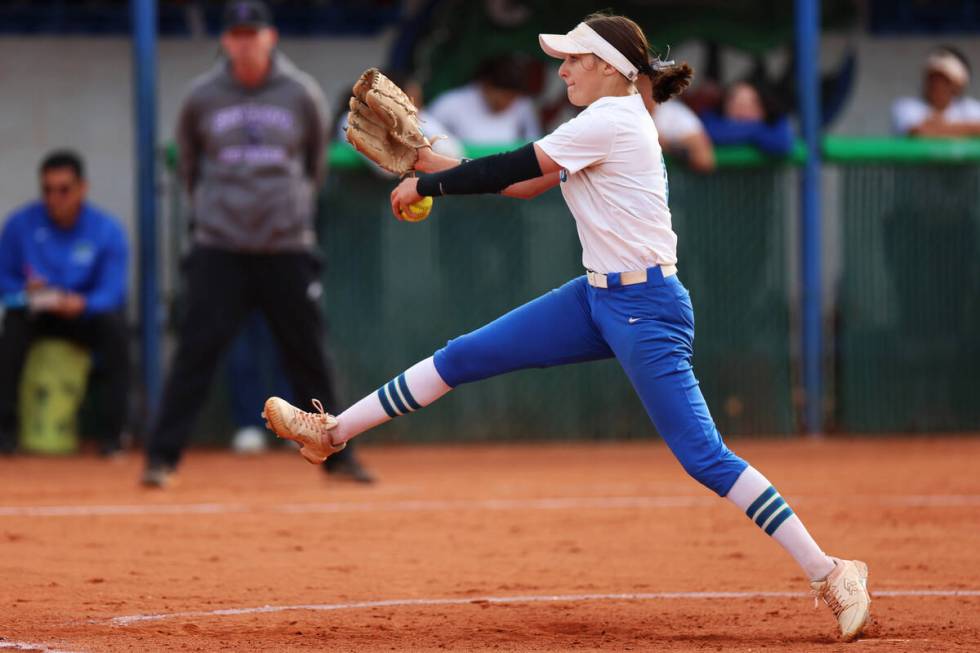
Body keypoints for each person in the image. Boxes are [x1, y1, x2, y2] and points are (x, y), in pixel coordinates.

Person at [264, 12, 871, 642]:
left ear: (609, 68)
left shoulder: (611, 119)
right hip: (595, 298)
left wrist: (428, 182)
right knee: (465, 355)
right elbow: (526, 183)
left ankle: (832, 570)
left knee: (705, 458)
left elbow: (507, 170)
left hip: (647, 309)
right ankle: (331, 432)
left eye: (573, 60)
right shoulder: (601, 121)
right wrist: (422, 157)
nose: (561, 70)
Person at [141, 0, 373, 486]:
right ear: (226, 41)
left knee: (308, 354)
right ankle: (162, 458)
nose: (246, 42)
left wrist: (285, 208)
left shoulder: (299, 92)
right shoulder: (202, 96)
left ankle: (341, 456)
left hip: (285, 245)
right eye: (237, 34)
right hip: (220, 245)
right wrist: (217, 210)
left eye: (255, 33)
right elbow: (188, 165)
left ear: (271, 37)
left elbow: (314, 163)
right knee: (195, 352)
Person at [0, 150, 129, 456]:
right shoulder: (19, 225)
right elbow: (4, 281)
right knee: (12, 328)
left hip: (83, 316)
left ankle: (113, 437)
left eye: (64, 189)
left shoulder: (106, 229)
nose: (54, 197)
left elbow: (114, 291)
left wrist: (82, 303)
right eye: (47, 189)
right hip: (36, 315)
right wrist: (25, 292)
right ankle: (5, 435)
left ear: (82, 188)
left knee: (114, 329)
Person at [426, 55, 542, 145]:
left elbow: (533, 143)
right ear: (486, 86)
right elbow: (425, 131)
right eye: (502, 96)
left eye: (511, 98)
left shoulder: (523, 106)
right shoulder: (451, 103)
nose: (506, 103)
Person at [892, 46, 980, 136]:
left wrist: (938, 127)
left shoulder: (972, 108)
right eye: (932, 78)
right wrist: (968, 130)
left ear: (958, 85)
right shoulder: (906, 107)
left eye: (945, 80)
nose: (936, 84)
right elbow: (919, 133)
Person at [636, 71, 714, 172]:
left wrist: (669, 146)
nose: (640, 93)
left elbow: (705, 160)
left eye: (646, 86)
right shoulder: (622, 114)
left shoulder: (673, 114)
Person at [700, 80, 794, 156]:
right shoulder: (710, 120)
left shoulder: (775, 121)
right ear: (725, 106)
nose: (741, 111)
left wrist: (753, 130)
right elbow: (707, 134)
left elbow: (781, 143)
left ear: (763, 108)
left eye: (749, 106)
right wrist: (756, 131)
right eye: (735, 104)